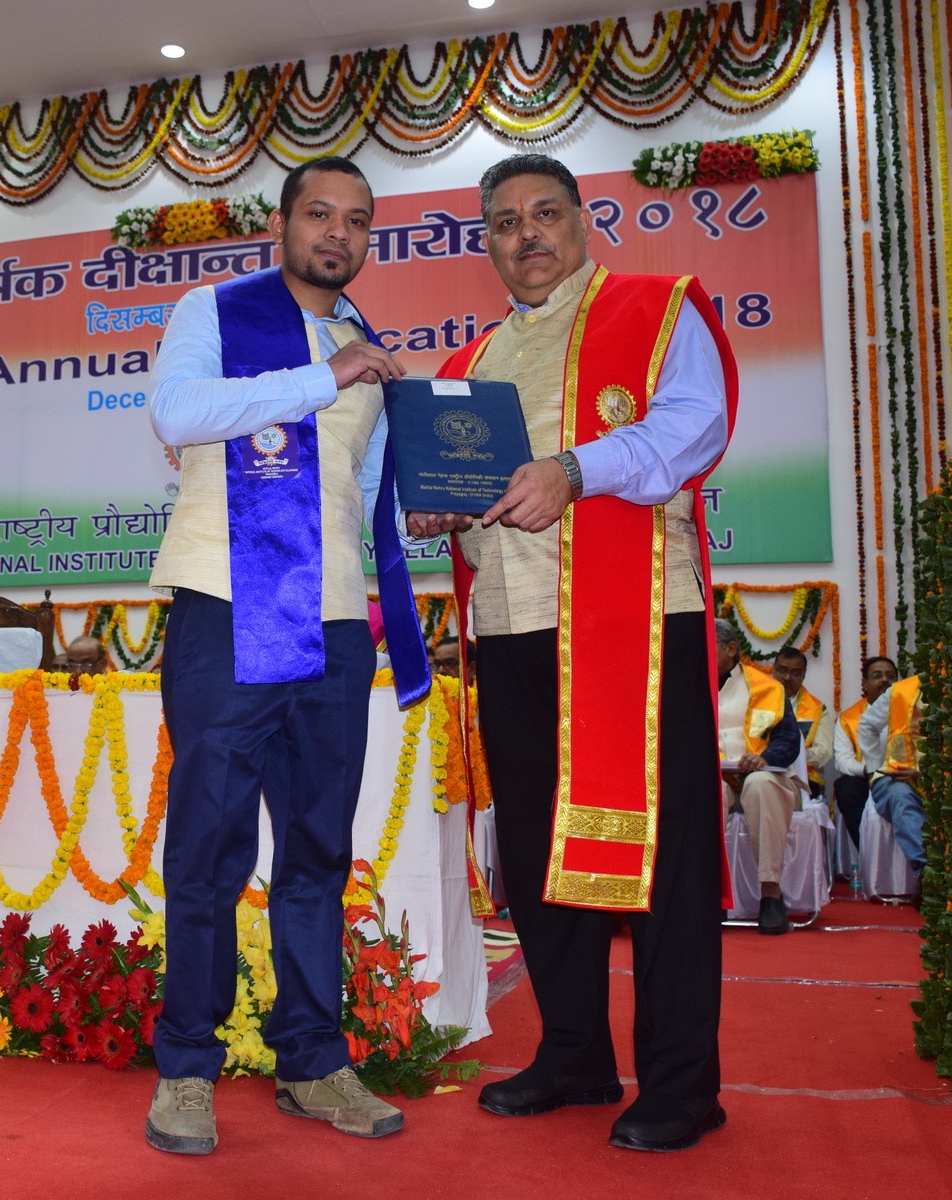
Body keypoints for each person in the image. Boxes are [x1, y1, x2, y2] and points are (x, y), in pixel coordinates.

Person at [407, 153, 735, 1152]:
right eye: (505, 223)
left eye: (544, 213)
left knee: (664, 855)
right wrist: (437, 509)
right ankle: (575, 1054)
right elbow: (458, 489)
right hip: (511, 628)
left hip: (636, 622)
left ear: (584, 221)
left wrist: (575, 469)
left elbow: (697, 426)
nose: (527, 235)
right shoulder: (467, 365)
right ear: (488, 244)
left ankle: (682, 1082)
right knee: (539, 850)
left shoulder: (656, 308)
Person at [143, 154, 429, 1155]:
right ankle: (187, 1067)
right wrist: (322, 378)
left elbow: (367, 487)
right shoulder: (216, 310)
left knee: (316, 852)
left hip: (337, 622)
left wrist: (430, 504)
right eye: (320, 213)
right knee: (209, 850)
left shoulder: (364, 345)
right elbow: (178, 414)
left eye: (357, 220)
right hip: (227, 610)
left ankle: (312, 1062)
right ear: (283, 223)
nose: (337, 233)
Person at [716, 620, 804, 935]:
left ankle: (770, 894)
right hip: (718, 778)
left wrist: (765, 758)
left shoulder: (768, 687)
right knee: (706, 791)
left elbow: (788, 740)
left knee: (760, 785)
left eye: (709, 646)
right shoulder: (688, 685)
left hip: (764, 775)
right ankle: (710, 894)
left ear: (731, 648)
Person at [858, 674, 926, 873]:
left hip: (947, 780)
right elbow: (867, 725)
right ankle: (926, 872)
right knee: (901, 797)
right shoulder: (902, 691)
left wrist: (924, 775)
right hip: (899, 775)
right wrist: (872, 769)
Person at [833, 656, 898, 845]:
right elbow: (842, 760)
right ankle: (865, 848)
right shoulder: (849, 718)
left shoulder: (908, 711)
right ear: (865, 683)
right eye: (877, 675)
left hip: (901, 775)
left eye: (890, 676)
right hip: (865, 777)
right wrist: (868, 770)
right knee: (846, 786)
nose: (884, 680)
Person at [768, 645, 830, 796]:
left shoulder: (817, 709)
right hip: (764, 770)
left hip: (805, 776)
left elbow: (824, 752)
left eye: (795, 673)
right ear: (773, 670)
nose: (788, 677)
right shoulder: (756, 701)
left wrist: (790, 755)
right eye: (782, 671)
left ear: (803, 675)